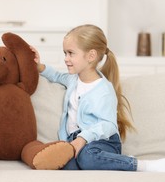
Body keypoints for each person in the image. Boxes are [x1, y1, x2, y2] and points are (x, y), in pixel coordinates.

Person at [32, 24, 165, 171]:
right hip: (74, 140)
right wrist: (38, 66)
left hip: (102, 142)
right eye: (65, 53)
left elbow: (109, 125)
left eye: (71, 53)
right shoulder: (72, 80)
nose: (66, 58)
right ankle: (112, 162)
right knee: (66, 165)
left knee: (87, 157)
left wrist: (83, 138)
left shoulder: (103, 90)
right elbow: (56, 76)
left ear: (91, 56)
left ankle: (139, 165)